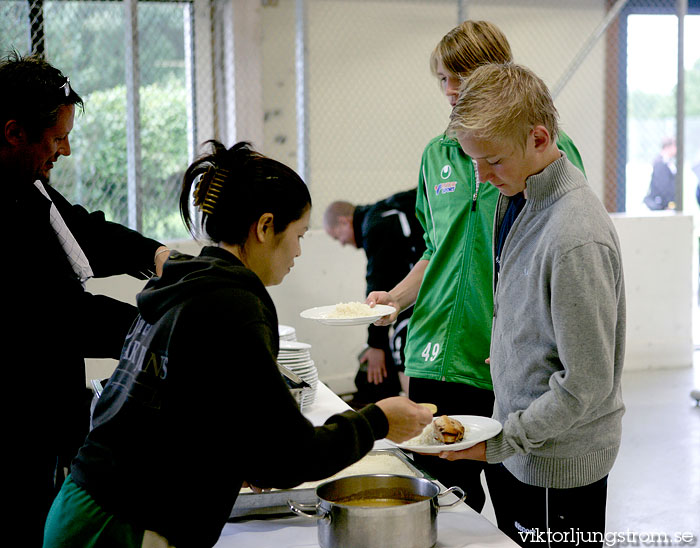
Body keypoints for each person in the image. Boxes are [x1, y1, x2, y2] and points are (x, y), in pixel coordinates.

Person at [43, 140, 433, 548]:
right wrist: (378, 420)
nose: (299, 251)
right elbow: (289, 457)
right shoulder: (233, 303)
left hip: (81, 507)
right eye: (298, 235)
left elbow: (191, 412)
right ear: (264, 227)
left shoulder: (187, 283)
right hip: (115, 526)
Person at [366, 20, 586, 513]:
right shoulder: (436, 155)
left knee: (512, 510)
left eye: (461, 75)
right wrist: (394, 300)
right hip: (434, 356)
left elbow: (556, 249)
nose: (450, 90)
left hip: (499, 362)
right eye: (443, 78)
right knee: (435, 505)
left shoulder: (544, 151)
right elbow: (435, 250)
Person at [440, 62, 625, 546]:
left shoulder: (575, 236)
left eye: (493, 161)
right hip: (522, 445)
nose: (481, 177)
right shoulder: (519, 195)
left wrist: (499, 442)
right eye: (473, 161)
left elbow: (586, 382)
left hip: (555, 465)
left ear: (539, 139)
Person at [2, 52, 169, 545]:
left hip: (52, 413)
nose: (67, 151)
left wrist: (158, 256)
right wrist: (161, 332)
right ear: (14, 132)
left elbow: (80, 229)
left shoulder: (26, 186)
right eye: (57, 138)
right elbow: (58, 317)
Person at [323, 190, 426, 402]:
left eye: (337, 237)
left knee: (402, 344)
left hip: (428, 292)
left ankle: (420, 417)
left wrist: (376, 344)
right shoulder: (381, 211)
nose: (342, 243)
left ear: (344, 222)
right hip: (421, 289)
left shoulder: (375, 225)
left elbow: (377, 283)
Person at [644, 137, 676, 210]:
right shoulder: (660, 163)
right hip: (661, 205)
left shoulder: (668, 162)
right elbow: (662, 186)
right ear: (668, 147)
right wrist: (667, 203)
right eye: (674, 146)